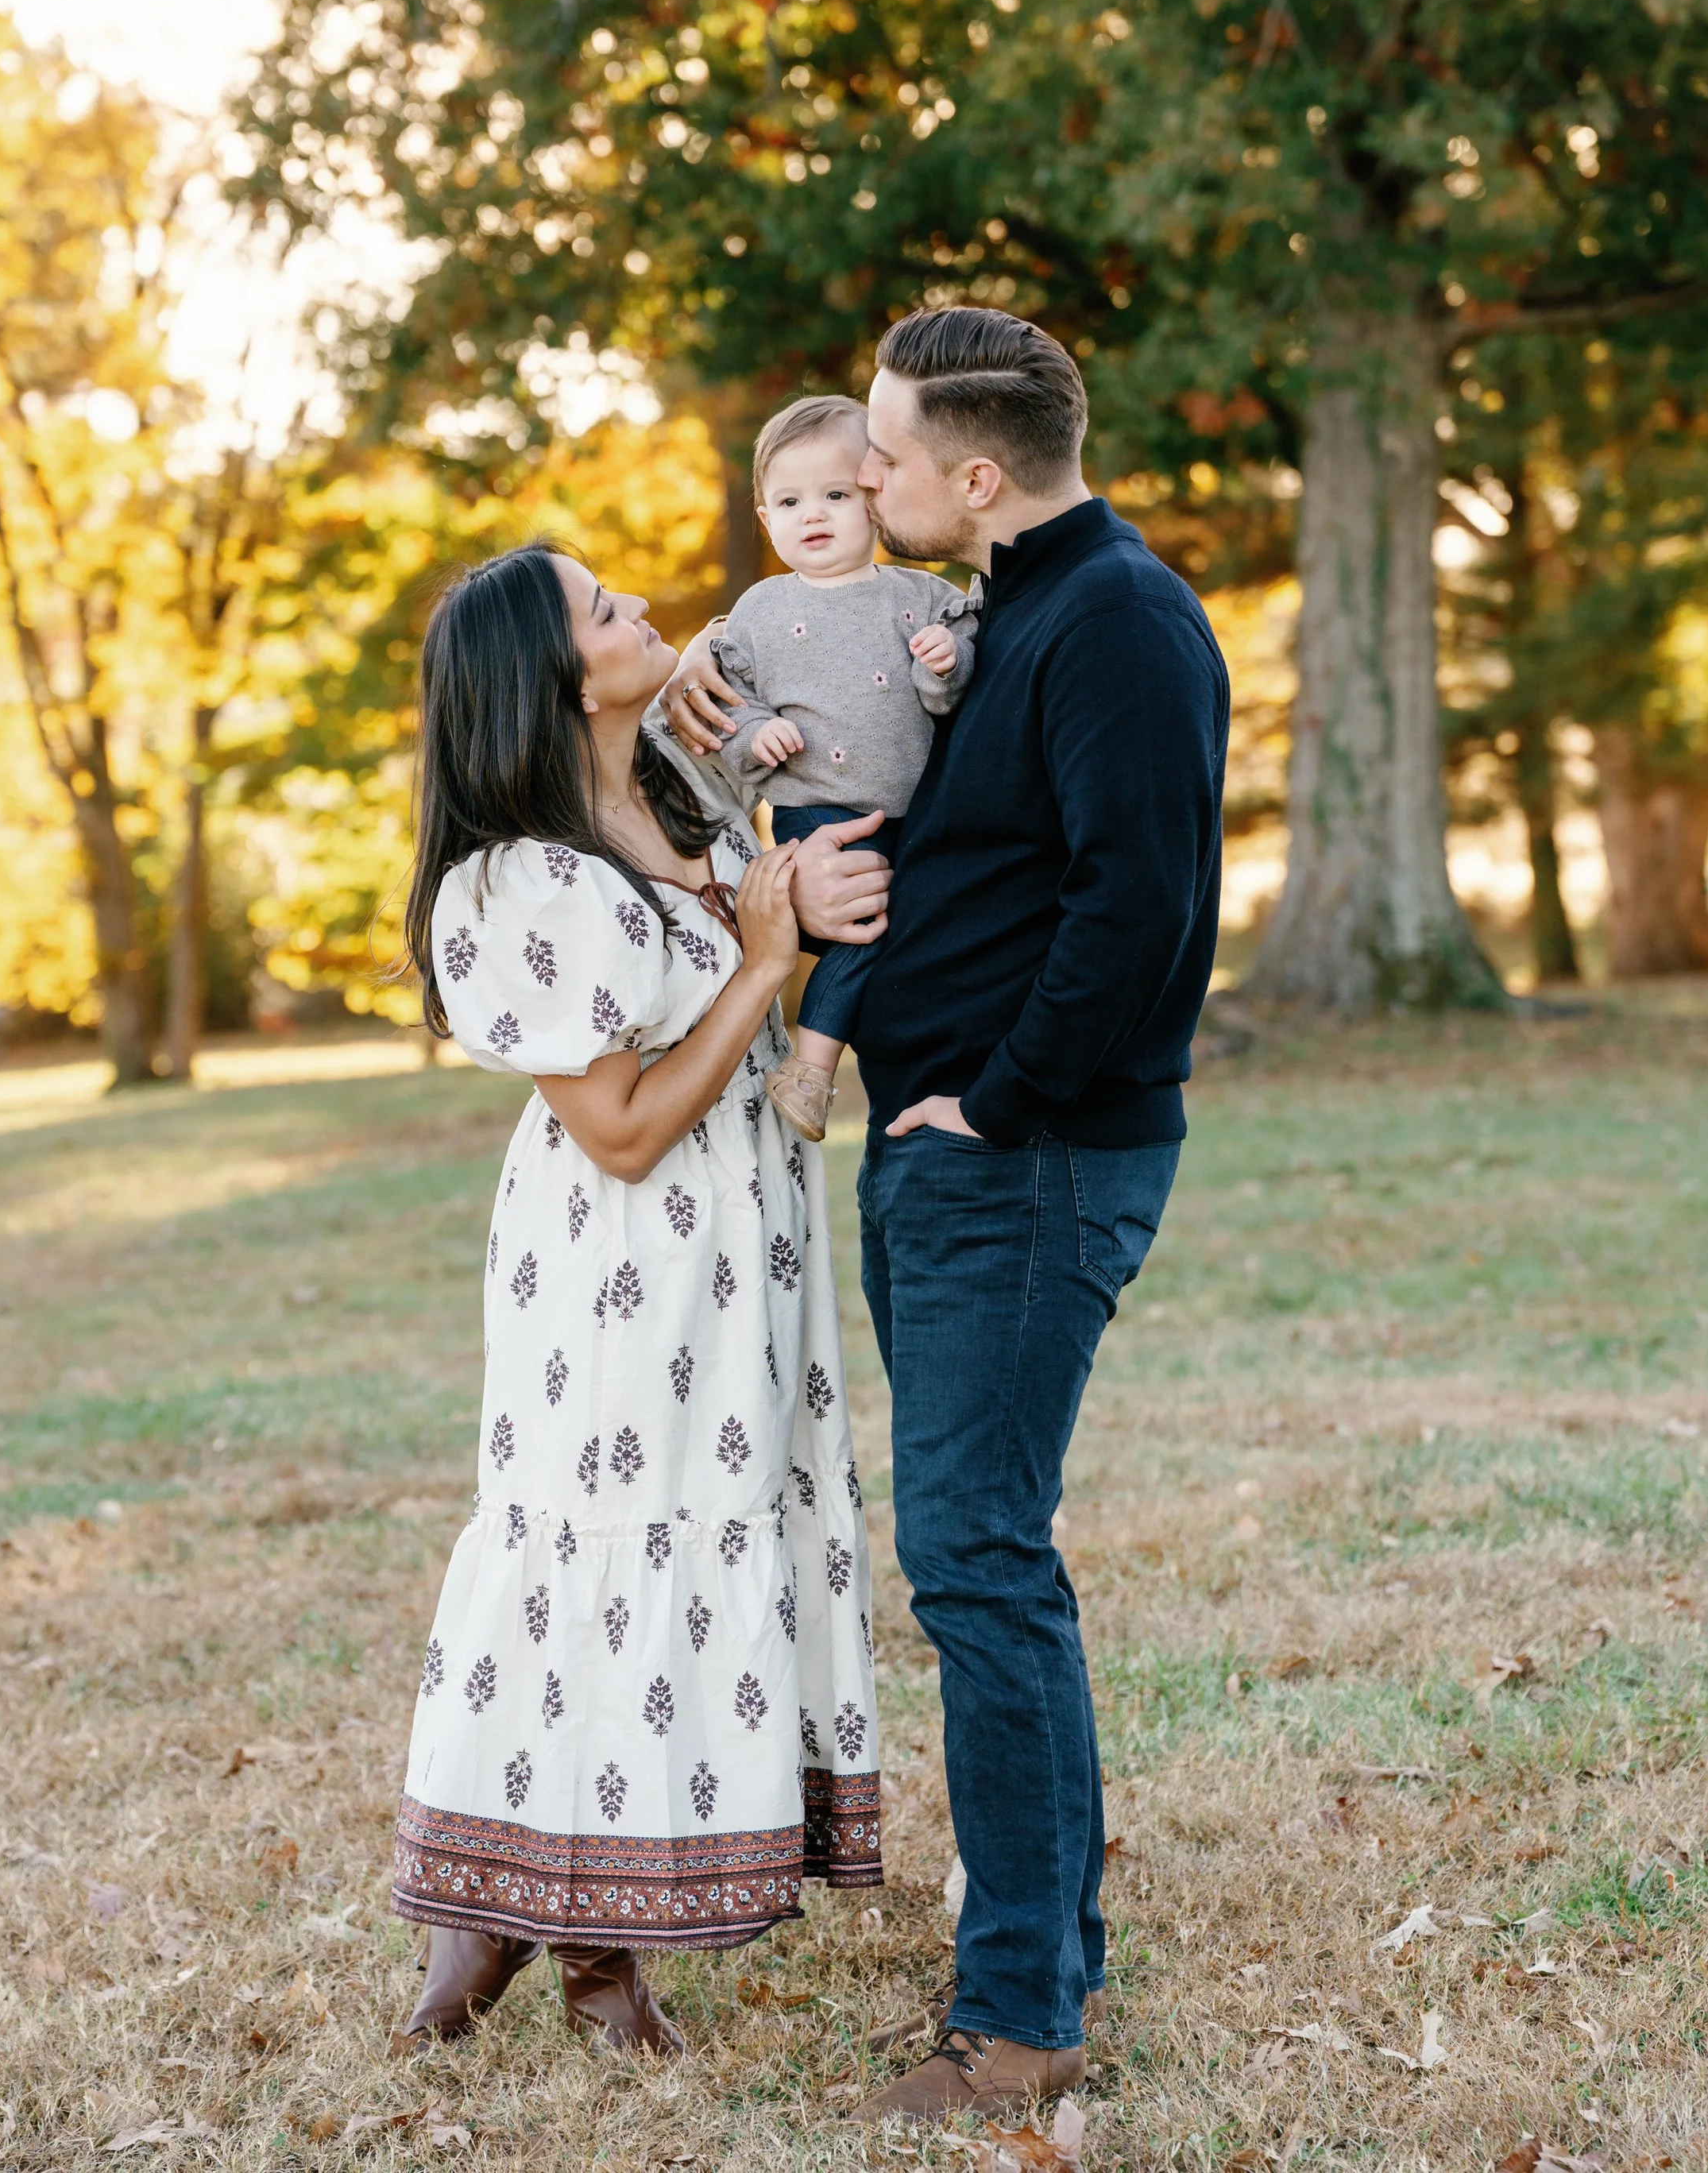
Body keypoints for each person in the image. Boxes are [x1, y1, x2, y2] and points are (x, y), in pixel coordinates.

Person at [666, 307, 1227, 2126]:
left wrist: (990, 1094)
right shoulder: (998, 615)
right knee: (992, 1556)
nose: (868, 485)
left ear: (973, 473)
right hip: (950, 1147)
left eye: (890, 458)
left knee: (977, 1560)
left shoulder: (1120, 620)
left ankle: (1017, 2021)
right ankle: (1052, 1939)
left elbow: (1140, 905)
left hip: (1022, 1150)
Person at [388, 543, 881, 2062]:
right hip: (621, 1264)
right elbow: (614, 1129)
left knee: (705, 1521)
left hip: (740, 1242)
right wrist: (761, 963)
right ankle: (584, 1947)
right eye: (606, 612)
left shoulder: (676, 791)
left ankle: (508, 1925)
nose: (640, 613)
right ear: (551, 677)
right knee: (608, 1547)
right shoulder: (520, 880)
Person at [707, 391, 978, 1142]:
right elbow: (729, 699)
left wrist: (942, 663)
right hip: (818, 811)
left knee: (903, 936)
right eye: (790, 501)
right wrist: (755, 732)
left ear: (873, 497)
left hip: (914, 809)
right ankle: (814, 1068)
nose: (813, 515)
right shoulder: (758, 610)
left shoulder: (920, 595)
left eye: (834, 495)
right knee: (866, 931)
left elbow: (952, 689)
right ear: (766, 518)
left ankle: (879, 1065)